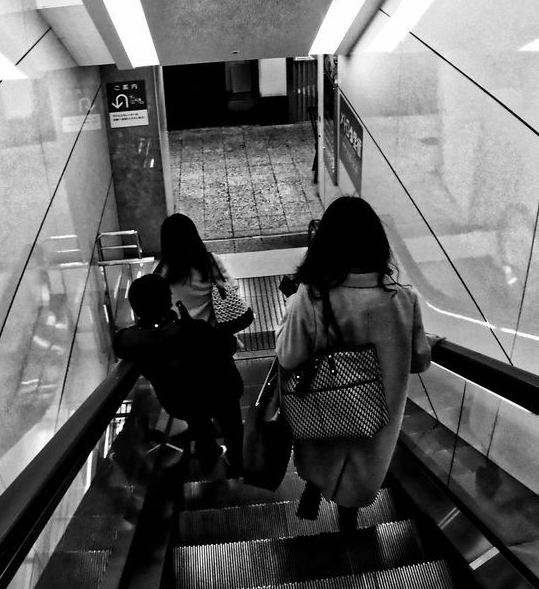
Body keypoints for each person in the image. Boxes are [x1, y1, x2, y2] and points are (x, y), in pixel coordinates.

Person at [275, 197, 433, 532]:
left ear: (325, 244)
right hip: (374, 424)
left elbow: (288, 356)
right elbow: (419, 361)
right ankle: (349, 524)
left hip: (322, 411)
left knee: (324, 457)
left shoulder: (312, 296)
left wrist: (288, 312)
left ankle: (316, 488)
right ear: (377, 243)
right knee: (358, 475)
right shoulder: (403, 299)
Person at [113, 274, 244, 470]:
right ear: (169, 300)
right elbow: (230, 345)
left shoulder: (134, 341)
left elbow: (119, 343)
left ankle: (207, 451)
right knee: (231, 424)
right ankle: (236, 458)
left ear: (136, 309)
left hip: (180, 401)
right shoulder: (195, 329)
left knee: (197, 418)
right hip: (222, 392)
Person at [155, 213, 236, 324]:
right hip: (210, 332)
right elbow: (232, 287)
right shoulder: (210, 262)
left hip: (178, 335)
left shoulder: (163, 271)